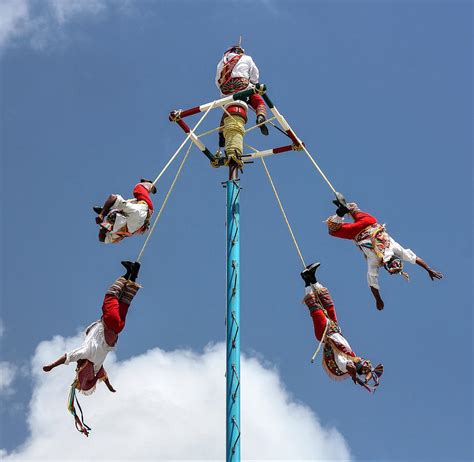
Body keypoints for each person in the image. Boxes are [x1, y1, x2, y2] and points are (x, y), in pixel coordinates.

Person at [42, 261, 141, 435]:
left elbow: (101, 375)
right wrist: (51, 366)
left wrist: (109, 386)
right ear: (80, 367)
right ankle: (126, 275)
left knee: (124, 301)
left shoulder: (96, 366)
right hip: (110, 324)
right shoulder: (84, 354)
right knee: (111, 296)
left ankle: (133, 274)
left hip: (118, 328)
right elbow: (66, 357)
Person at [326, 194, 443, 310]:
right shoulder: (375, 262)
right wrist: (378, 299)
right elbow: (373, 283)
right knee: (332, 230)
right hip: (357, 232)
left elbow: (414, 258)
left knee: (355, 211)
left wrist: (428, 269)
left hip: (370, 222)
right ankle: (339, 214)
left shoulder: (395, 249)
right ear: (386, 267)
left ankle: (348, 208)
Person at [301, 262, 383, 392]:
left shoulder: (346, 364)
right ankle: (312, 278)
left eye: (366, 365)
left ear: (359, 367)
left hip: (325, 334)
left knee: (316, 308)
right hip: (334, 329)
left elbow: (350, 368)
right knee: (328, 305)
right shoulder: (351, 356)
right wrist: (367, 378)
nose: (364, 360)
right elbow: (363, 370)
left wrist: (355, 376)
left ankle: (307, 280)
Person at [215, 43, 269, 151]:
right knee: (259, 101)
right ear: (241, 52)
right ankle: (261, 116)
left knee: (227, 110)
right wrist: (253, 84)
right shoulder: (247, 58)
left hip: (225, 91)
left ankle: (221, 134)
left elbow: (217, 81)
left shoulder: (221, 63)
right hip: (242, 85)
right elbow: (255, 75)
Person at [93, 179, 157, 244]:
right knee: (138, 188)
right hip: (142, 211)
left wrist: (102, 217)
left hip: (141, 213)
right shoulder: (119, 229)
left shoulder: (116, 231)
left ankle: (108, 211)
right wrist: (102, 215)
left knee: (136, 197)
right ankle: (108, 211)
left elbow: (102, 238)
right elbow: (113, 197)